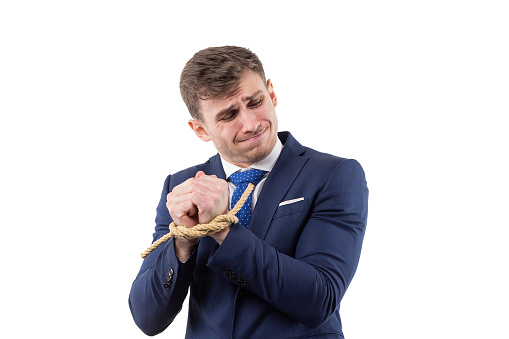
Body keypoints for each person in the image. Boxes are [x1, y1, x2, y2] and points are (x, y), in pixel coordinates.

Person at [128, 46, 368, 339]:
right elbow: (147, 319)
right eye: (229, 115)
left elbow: (320, 299)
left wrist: (223, 231)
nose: (251, 123)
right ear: (200, 130)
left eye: (255, 102)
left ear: (272, 94)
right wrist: (182, 243)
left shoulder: (333, 176)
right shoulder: (181, 187)